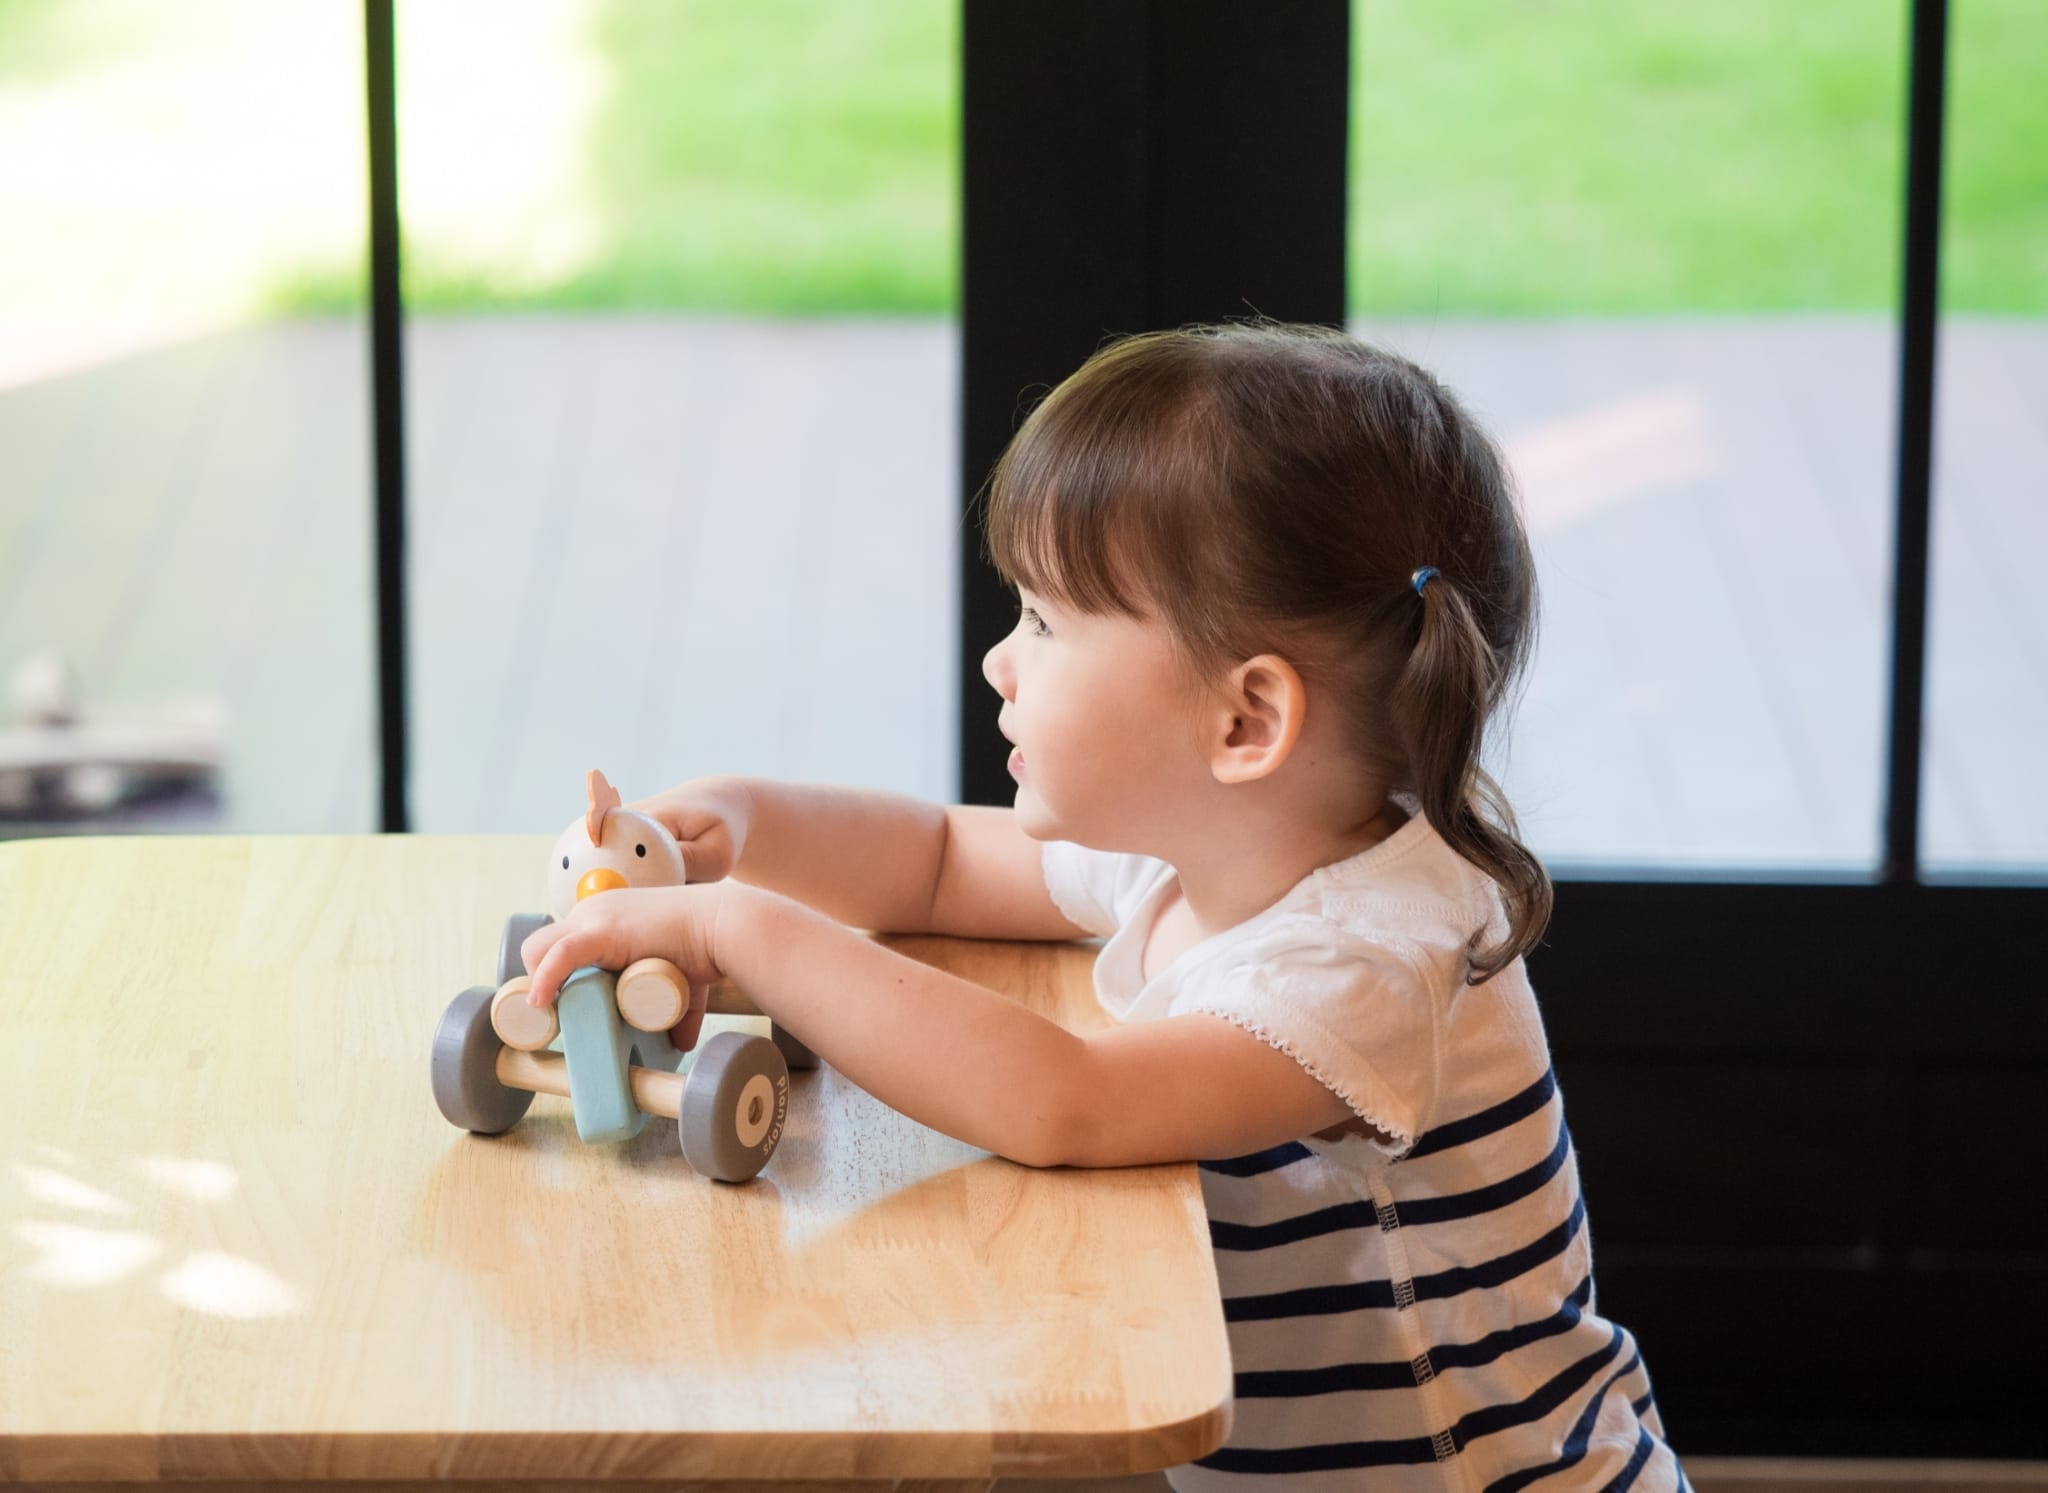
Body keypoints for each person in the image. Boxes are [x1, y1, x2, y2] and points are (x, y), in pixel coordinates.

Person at [519, 320, 1686, 1491]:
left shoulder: (1364, 960)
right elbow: (931, 860)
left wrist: (740, 933)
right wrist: (747, 823)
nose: (1000, 661)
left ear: (1242, 722)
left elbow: (1061, 1102)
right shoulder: (1211, 847)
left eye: (1044, 620)